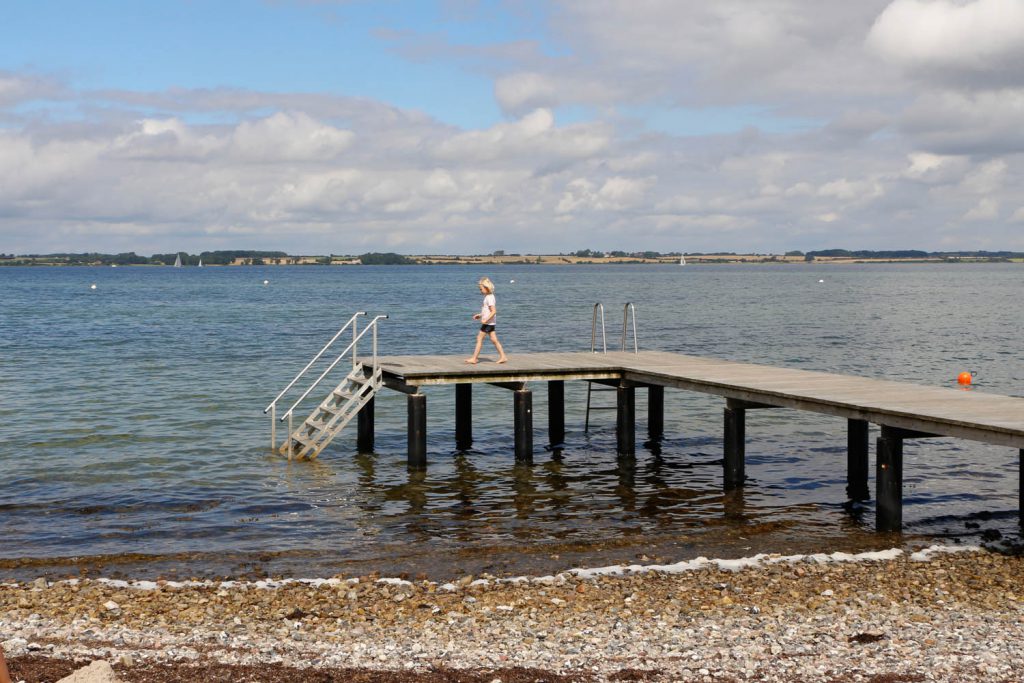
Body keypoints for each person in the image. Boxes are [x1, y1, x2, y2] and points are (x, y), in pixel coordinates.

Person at [465, 276, 508, 364]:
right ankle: (503, 356)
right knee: (494, 340)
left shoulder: (489, 298)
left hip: (488, 323)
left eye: (481, 289)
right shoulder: (489, 297)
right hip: (490, 323)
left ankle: (474, 358)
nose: (480, 291)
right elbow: (487, 311)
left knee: (479, 338)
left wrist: (485, 320)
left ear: (487, 288)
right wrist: (480, 315)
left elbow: (493, 311)